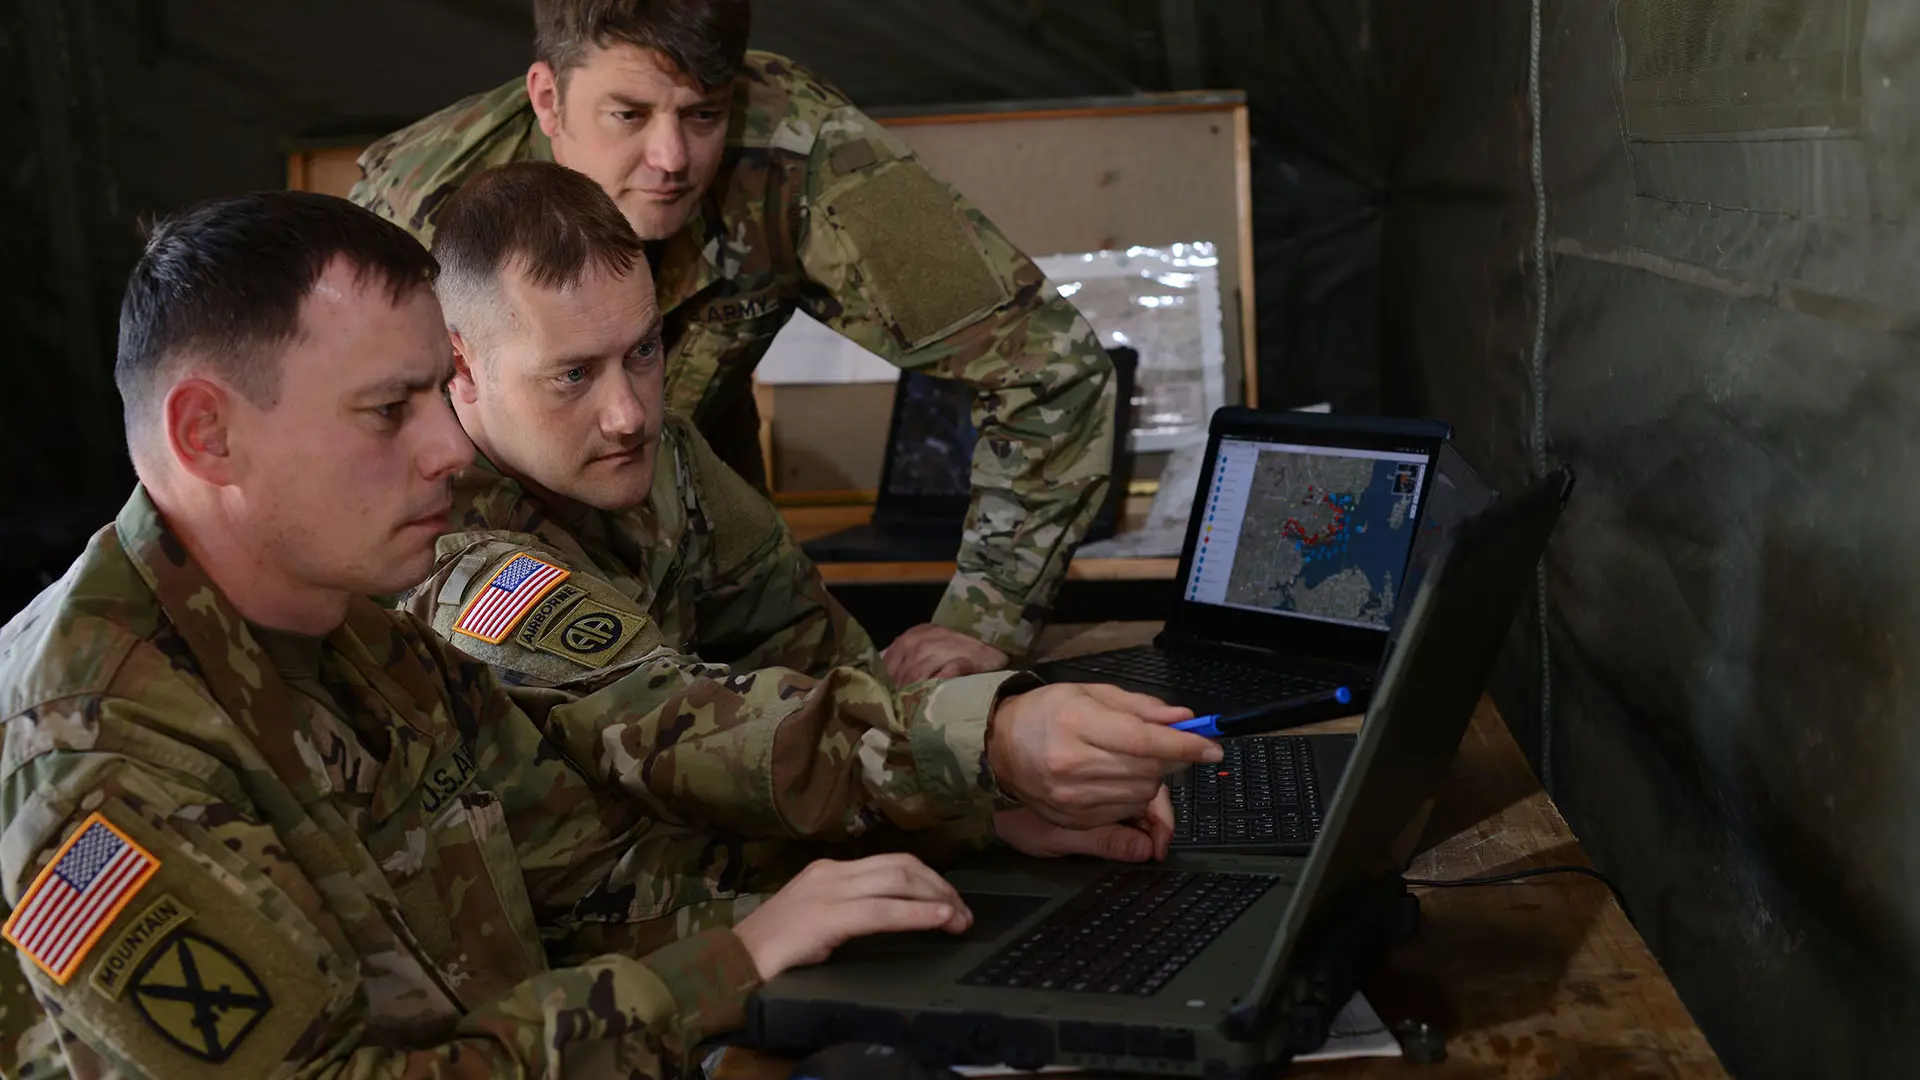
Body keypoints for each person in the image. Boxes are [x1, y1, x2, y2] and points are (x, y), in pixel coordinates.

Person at [0, 193, 1196, 1079]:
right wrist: (730, 968)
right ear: (208, 436)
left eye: (440, 394)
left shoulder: (358, 628)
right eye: (391, 410)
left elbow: (583, 885)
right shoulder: (98, 760)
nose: (448, 449)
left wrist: (953, 846)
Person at [399, 159, 1218, 845]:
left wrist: (986, 812)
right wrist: (995, 747)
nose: (628, 414)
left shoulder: (665, 450)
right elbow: (685, 728)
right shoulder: (453, 552)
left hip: (727, 866)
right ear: (461, 367)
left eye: (643, 351)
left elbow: (814, 655)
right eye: (573, 374)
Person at [350, 0, 1118, 684]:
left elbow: (1049, 365)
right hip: (484, 579)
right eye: (628, 114)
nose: (672, 159)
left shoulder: (801, 152)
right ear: (549, 99)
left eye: (703, 114)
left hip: (709, 551)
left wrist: (985, 620)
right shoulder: (414, 210)